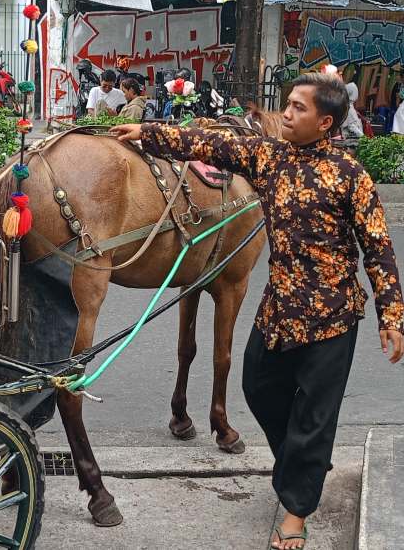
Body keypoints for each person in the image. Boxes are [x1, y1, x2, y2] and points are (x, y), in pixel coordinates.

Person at [109, 72, 404, 550]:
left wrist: (392, 317)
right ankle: (303, 464)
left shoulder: (351, 176)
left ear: (325, 122)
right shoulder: (268, 157)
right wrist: (148, 132)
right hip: (279, 309)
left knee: (314, 415)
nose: (286, 113)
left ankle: (295, 510)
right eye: (286, 104)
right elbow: (208, 144)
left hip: (332, 317)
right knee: (258, 388)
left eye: (298, 108)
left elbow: (379, 248)